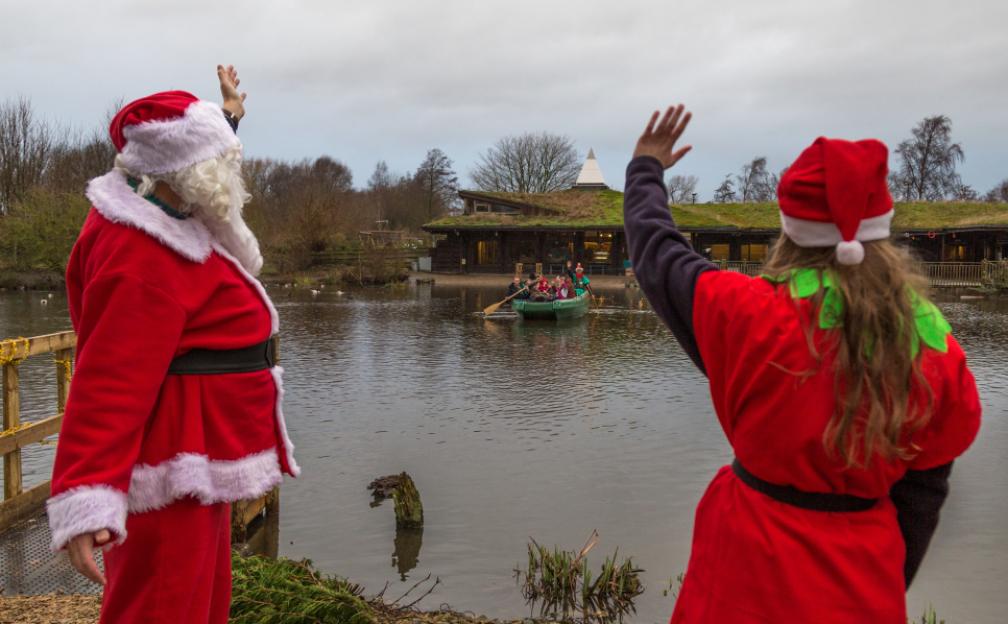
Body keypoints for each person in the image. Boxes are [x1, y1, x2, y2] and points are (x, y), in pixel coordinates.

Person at [624, 104, 980, 623]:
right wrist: (878, 577)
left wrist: (645, 170)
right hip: (862, 575)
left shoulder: (742, 313)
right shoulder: (934, 348)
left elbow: (657, 251)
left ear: (789, 231)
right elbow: (924, 493)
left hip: (741, 568)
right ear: (883, 231)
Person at [46, 66, 300, 624]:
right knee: (164, 607)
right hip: (167, 462)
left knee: (202, 605)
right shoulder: (139, 254)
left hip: (194, 457)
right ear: (192, 174)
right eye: (225, 164)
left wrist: (228, 115)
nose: (234, 174)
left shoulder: (166, 205)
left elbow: (198, 158)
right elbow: (109, 380)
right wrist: (88, 497)